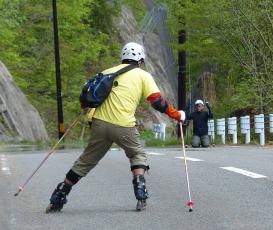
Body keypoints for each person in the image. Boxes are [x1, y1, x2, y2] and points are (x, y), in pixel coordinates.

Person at [46, 42, 185, 213]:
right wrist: (176, 114)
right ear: (141, 59)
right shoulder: (143, 75)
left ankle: (59, 195)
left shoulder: (107, 72)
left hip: (99, 124)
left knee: (86, 161)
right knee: (137, 154)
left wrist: (88, 113)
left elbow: (89, 99)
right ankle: (140, 191)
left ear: (123, 57)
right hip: (124, 125)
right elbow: (157, 101)